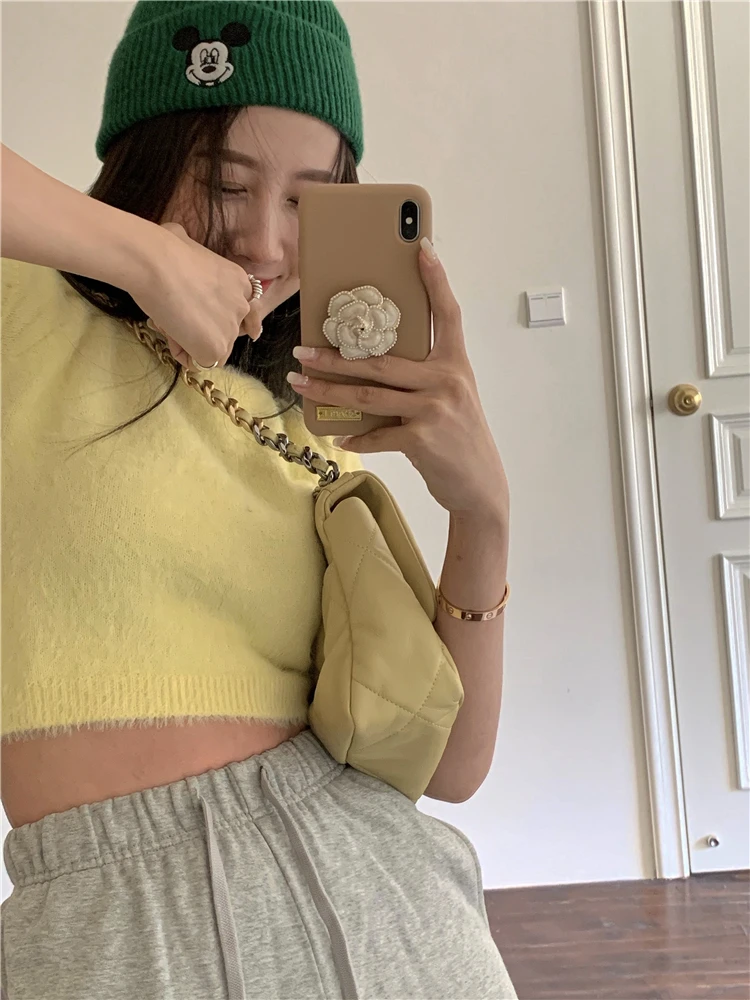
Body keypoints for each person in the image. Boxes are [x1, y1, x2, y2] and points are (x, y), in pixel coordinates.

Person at [0, 2, 515, 998]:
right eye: (223, 182)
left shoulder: (301, 424)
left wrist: (482, 512)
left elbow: (450, 766)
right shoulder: (21, 302)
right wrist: (139, 254)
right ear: (142, 160)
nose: (263, 240)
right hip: (109, 934)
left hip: (387, 908)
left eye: (308, 204)